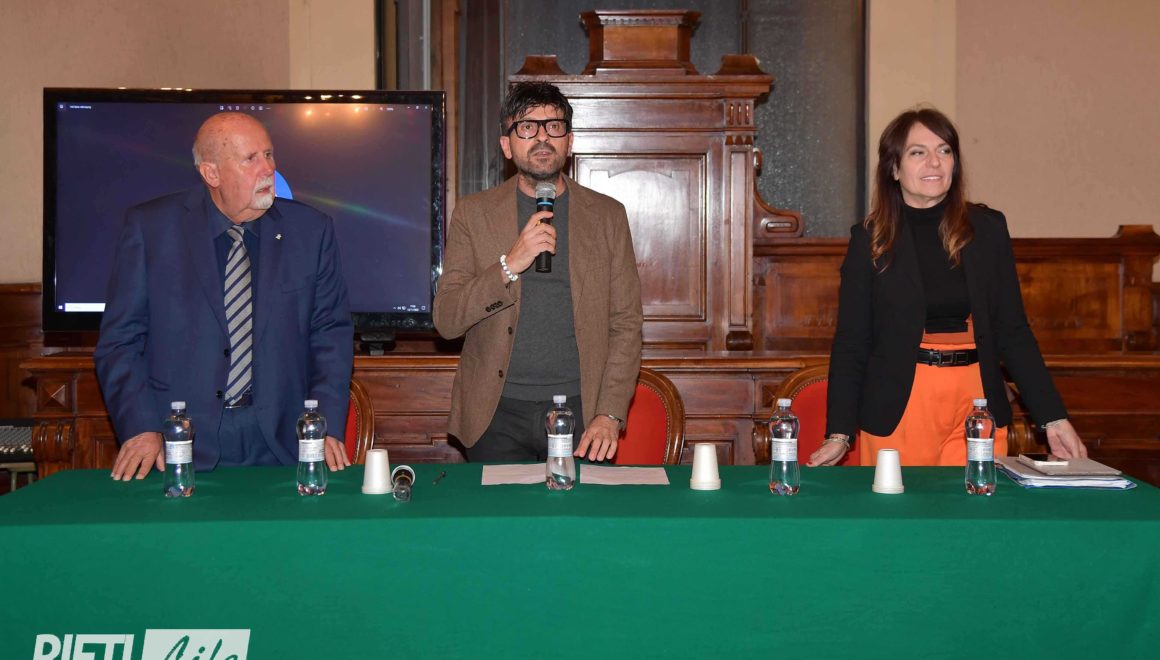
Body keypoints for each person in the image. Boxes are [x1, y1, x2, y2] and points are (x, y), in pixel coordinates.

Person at [809, 107, 1086, 467]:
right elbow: (851, 341)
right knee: (904, 505)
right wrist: (839, 433)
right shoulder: (870, 239)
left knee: (975, 502)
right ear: (894, 168)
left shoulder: (987, 229)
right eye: (917, 152)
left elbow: (1013, 330)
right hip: (901, 402)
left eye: (944, 150)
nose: (935, 162)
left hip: (978, 401)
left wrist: (1053, 418)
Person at [95, 112, 353, 479]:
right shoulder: (152, 229)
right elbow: (119, 342)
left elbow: (330, 337)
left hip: (283, 441)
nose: (268, 169)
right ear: (211, 174)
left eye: (269, 154)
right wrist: (140, 426)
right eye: (251, 159)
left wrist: (321, 425)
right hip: (178, 442)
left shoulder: (310, 231)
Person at [433, 82, 642, 462]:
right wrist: (509, 265)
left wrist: (610, 413)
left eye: (554, 126)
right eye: (527, 127)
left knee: (580, 505)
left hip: (582, 412)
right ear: (507, 145)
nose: (542, 138)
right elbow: (447, 320)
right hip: (495, 415)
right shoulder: (473, 214)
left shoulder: (607, 216)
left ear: (569, 142)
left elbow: (626, 324)